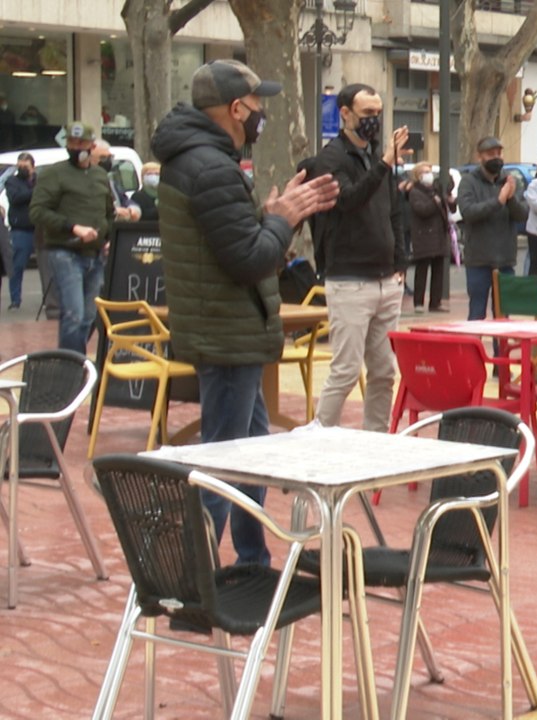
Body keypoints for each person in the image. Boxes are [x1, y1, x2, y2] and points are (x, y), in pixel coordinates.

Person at [152, 58, 339, 565]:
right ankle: (192, 574)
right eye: (259, 106)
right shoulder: (211, 167)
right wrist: (281, 222)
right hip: (227, 332)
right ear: (236, 109)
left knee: (252, 449)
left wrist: (270, 219)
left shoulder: (195, 159)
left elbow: (226, 243)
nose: (263, 116)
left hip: (225, 327)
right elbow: (247, 259)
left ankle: (252, 557)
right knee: (226, 459)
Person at [313, 82, 409, 433]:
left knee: (384, 372)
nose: (375, 120)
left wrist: (401, 262)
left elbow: (394, 211)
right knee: (345, 370)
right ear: (345, 114)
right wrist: (384, 163)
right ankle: (318, 441)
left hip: (387, 280)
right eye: (368, 113)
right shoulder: (331, 158)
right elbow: (350, 199)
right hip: (349, 281)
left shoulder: (375, 157)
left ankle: (375, 443)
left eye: (378, 113)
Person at [28, 121, 120, 350]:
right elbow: (37, 211)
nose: (76, 147)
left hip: (95, 254)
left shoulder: (100, 176)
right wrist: (72, 227)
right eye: (72, 142)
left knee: (89, 316)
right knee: (74, 314)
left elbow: (108, 213)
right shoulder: (54, 174)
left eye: (81, 143)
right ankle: (70, 366)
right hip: (65, 251)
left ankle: (74, 361)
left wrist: (108, 238)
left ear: (92, 145)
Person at [458, 135, 527, 320]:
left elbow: (522, 215)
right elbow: (469, 212)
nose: (496, 158)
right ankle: (474, 348)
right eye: (490, 154)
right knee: (477, 313)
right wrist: (498, 201)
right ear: (479, 157)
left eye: (499, 153)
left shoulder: (511, 182)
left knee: (503, 315)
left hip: (505, 260)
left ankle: (501, 350)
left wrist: (510, 198)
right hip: (479, 260)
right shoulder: (468, 182)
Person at [407, 162, 452, 313]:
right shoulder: (415, 192)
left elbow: (446, 208)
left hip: (438, 236)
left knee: (438, 271)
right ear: (418, 176)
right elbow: (422, 210)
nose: (429, 175)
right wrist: (435, 202)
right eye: (425, 172)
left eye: (430, 171)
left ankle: (435, 302)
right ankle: (418, 303)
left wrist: (448, 200)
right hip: (423, 237)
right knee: (422, 271)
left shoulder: (435, 191)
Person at [4, 152, 36, 309]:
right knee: (17, 266)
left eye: (25, 166)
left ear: (33, 167)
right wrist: (35, 192)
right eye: (20, 166)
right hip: (21, 230)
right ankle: (15, 299)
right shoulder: (12, 181)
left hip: (39, 229)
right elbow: (15, 198)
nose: (22, 169)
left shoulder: (38, 181)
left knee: (48, 266)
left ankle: (50, 300)